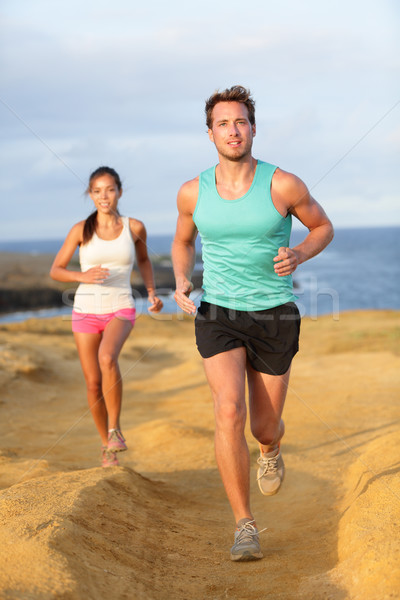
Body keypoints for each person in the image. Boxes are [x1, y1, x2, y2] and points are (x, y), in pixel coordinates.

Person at [172, 86, 334, 561]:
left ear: (253, 128)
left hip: (274, 313)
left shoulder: (282, 184)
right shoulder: (191, 191)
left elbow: (322, 226)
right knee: (228, 411)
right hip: (218, 311)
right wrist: (181, 277)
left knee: (264, 425)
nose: (233, 130)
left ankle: (270, 448)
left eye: (240, 121)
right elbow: (182, 241)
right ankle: (244, 524)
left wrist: (299, 253)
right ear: (210, 134)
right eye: (223, 123)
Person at [50, 166, 163, 467]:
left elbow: (143, 260)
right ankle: (106, 446)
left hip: (121, 306)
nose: (104, 196)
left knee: (107, 358)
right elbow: (56, 269)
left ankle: (115, 429)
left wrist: (151, 293)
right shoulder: (80, 230)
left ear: (119, 192)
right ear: (90, 194)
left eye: (109, 189)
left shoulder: (134, 227)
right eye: (97, 191)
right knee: (92, 383)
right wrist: (82, 275)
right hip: (85, 311)